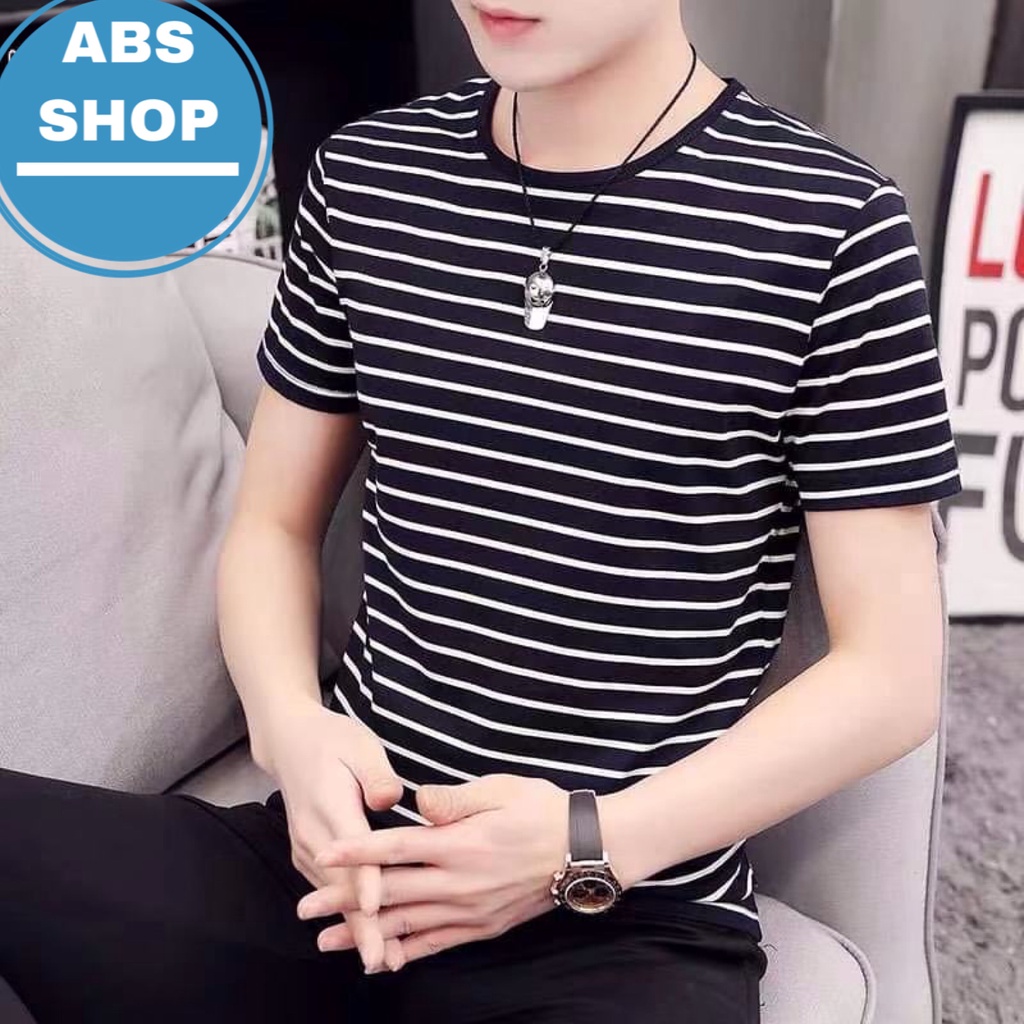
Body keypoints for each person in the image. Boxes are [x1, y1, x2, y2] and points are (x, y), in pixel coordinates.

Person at [0, 1, 963, 1021]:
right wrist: (291, 729)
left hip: (620, 917)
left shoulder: (831, 225)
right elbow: (273, 527)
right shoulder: (368, 177)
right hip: (336, 873)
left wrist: (585, 846)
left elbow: (890, 674)